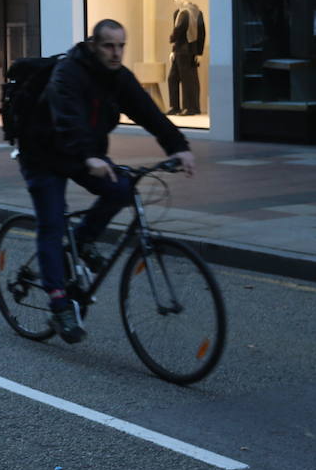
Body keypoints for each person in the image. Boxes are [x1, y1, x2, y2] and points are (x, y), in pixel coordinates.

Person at [17, 19, 196, 343]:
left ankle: (83, 240)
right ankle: (59, 303)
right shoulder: (69, 73)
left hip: (83, 154)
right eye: (109, 46)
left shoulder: (118, 77)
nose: (116, 53)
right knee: (52, 224)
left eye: (121, 46)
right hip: (43, 154)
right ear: (93, 45)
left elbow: (149, 113)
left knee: (123, 188)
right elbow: (67, 117)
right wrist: (89, 156)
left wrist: (179, 147)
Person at [167, 0, 206, 116]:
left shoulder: (194, 12)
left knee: (188, 79)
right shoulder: (177, 13)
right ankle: (175, 106)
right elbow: (177, 34)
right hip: (179, 50)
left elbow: (201, 33)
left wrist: (199, 53)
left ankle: (190, 108)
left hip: (188, 51)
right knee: (173, 78)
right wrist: (173, 50)